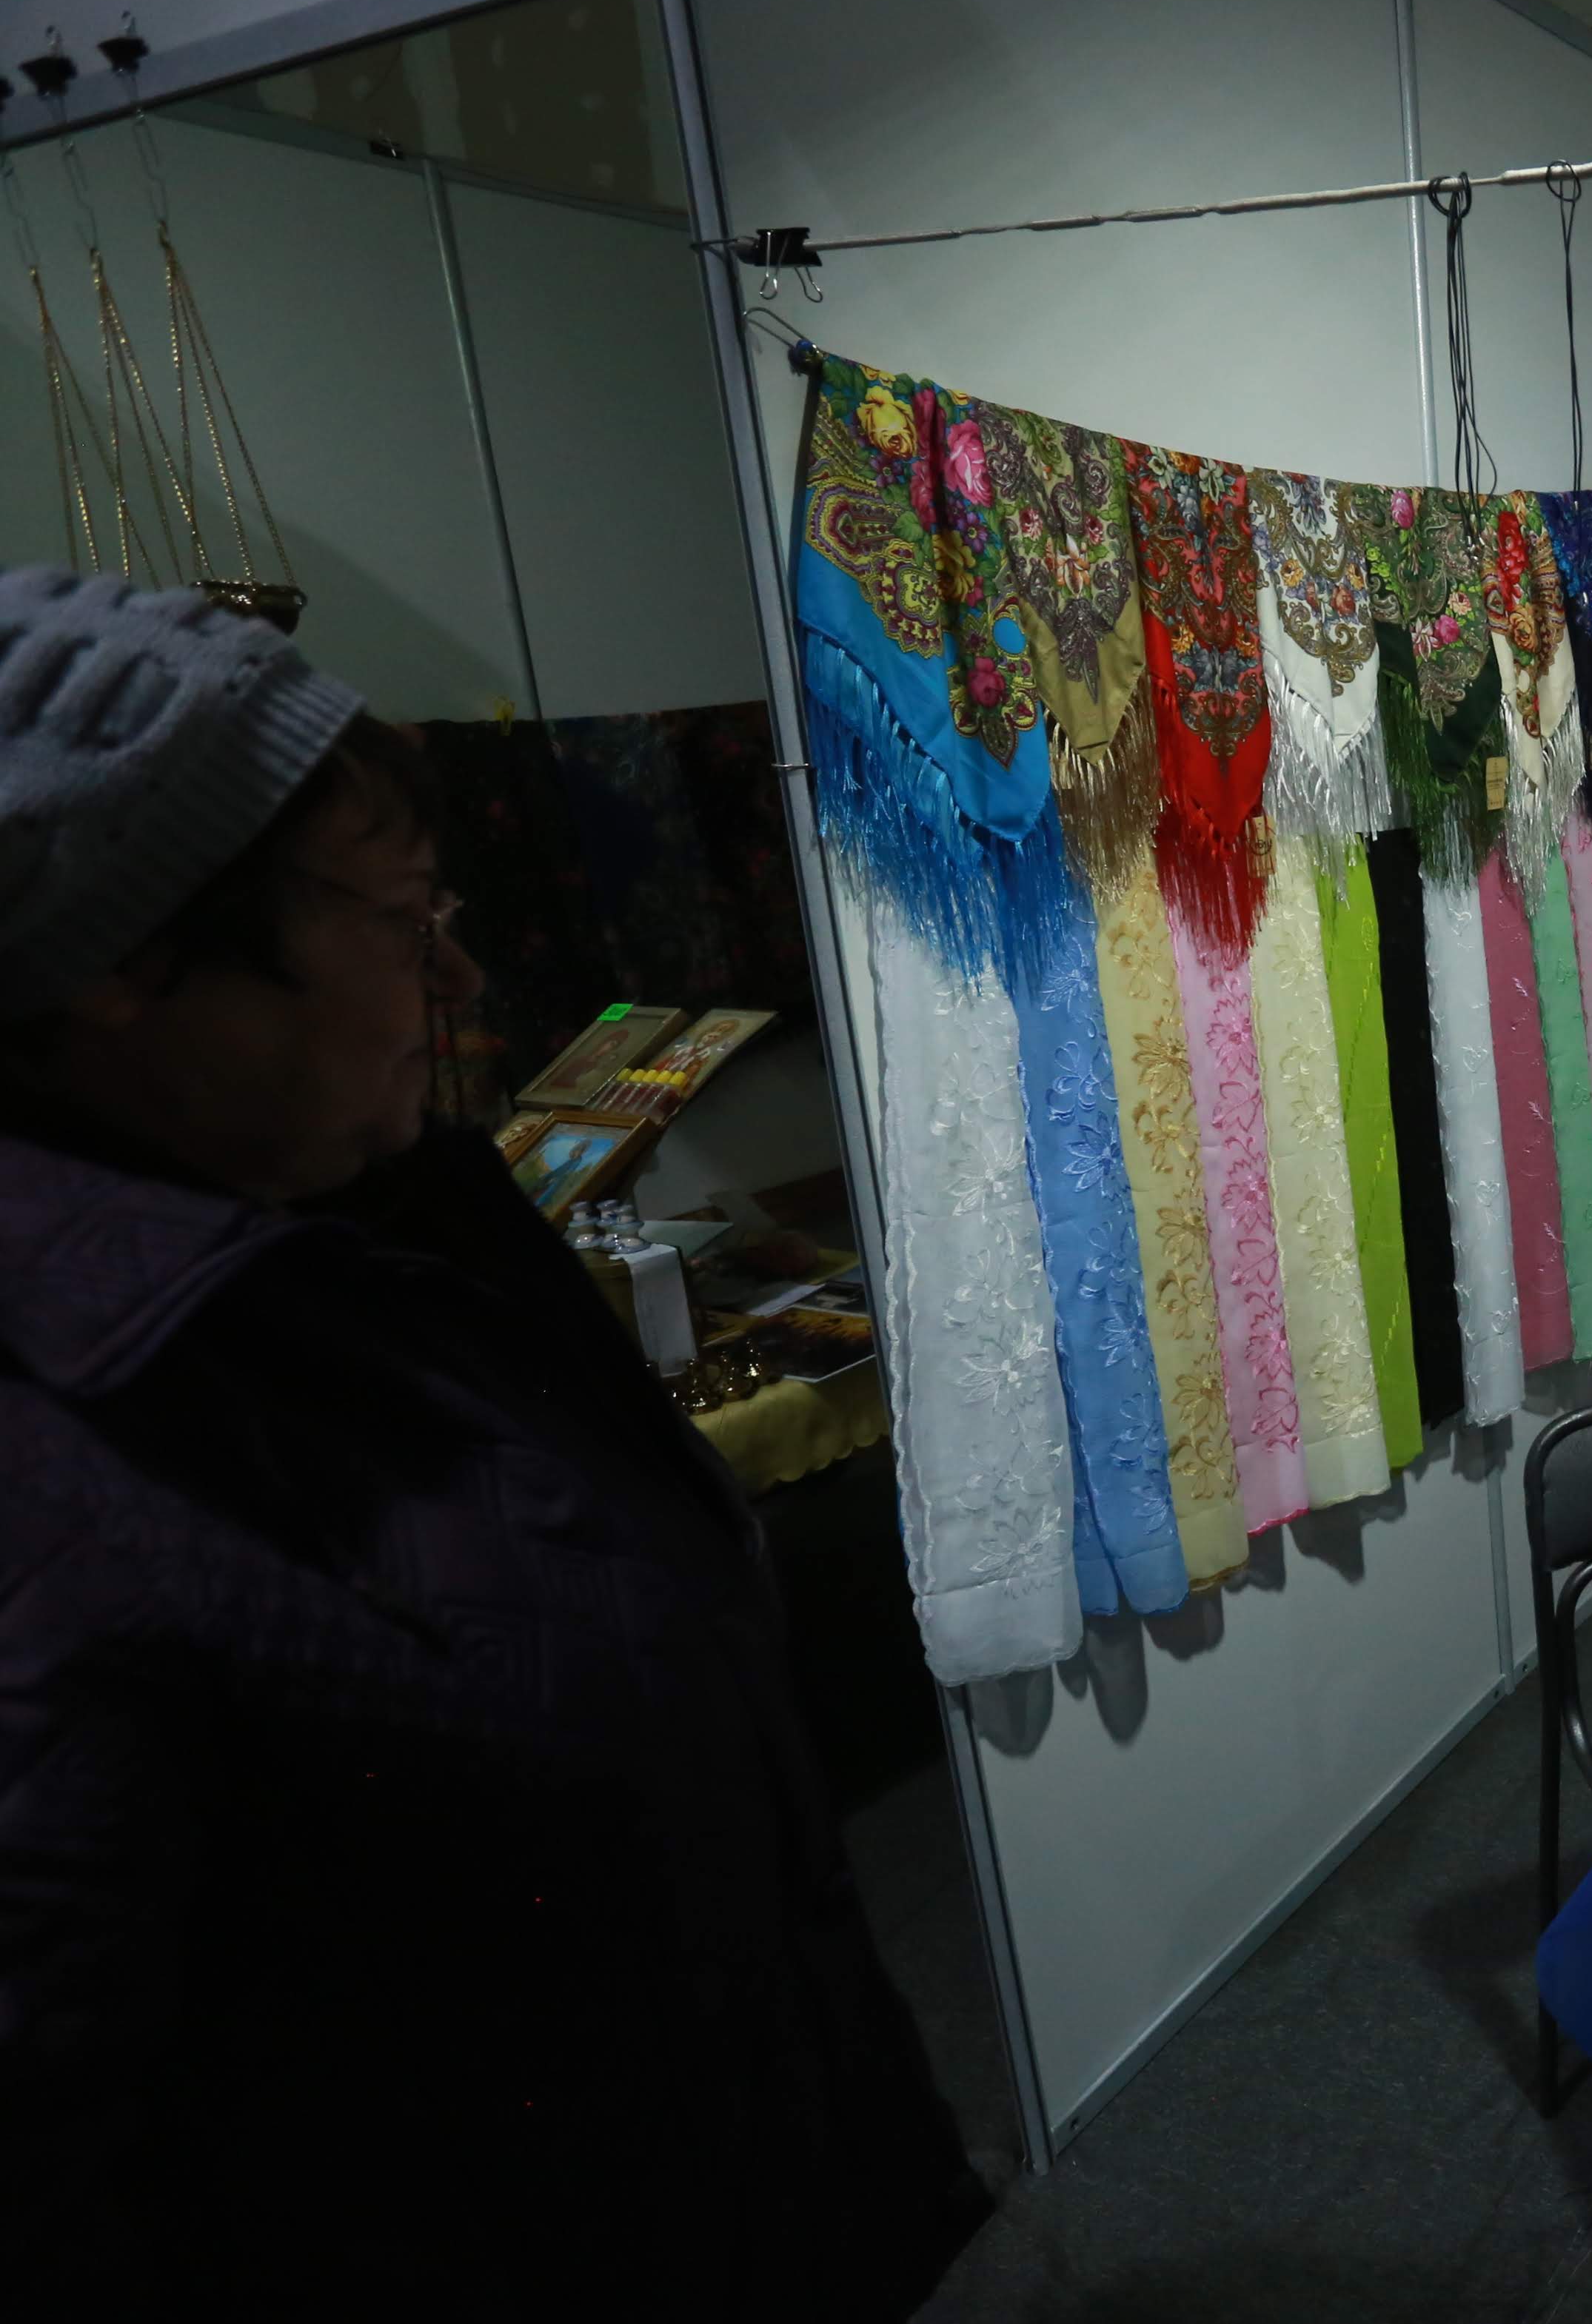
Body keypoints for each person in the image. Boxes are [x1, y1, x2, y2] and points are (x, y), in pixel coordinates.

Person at [0, 570, 985, 2313]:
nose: (457, 973)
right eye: (398, 918)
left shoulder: (382, 1236)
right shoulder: (70, 1474)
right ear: (129, 967)